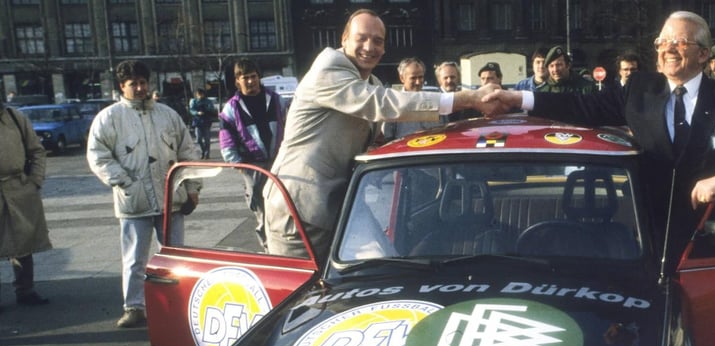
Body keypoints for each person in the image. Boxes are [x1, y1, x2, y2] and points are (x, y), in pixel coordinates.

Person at [484, 11, 715, 258]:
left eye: (679, 42)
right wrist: (517, 99)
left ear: (704, 53)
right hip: (651, 238)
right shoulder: (640, 90)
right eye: (662, 42)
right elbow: (582, 105)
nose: (667, 49)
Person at [265, 9, 501, 261]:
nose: (370, 47)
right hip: (299, 209)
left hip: (342, 205)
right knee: (303, 289)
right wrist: (467, 99)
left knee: (383, 262)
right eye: (362, 38)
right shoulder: (328, 69)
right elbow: (384, 103)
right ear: (344, 39)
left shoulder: (372, 82)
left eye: (378, 40)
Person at [87, 59, 201, 328]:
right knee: (135, 258)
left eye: (142, 82)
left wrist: (193, 188)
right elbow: (98, 155)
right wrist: (123, 182)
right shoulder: (109, 118)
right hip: (133, 202)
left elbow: (188, 152)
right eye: (133, 84)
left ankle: (177, 303)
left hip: (171, 199)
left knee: (175, 256)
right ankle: (134, 307)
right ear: (121, 87)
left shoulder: (168, 115)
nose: (139, 88)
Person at [219, 58, 287, 249]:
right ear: (237, 82)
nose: (250, 81)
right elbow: (227, 144)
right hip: (253, 168)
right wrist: (242, 168)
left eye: (254, 77)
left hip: (279, 164)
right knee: (262, 213)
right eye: (245, 78)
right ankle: (269, 251)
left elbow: (290, 128)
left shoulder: (276, 100)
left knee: (285, 210)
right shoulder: (231, 109)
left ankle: (286, 251)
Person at [0, 95, 51, 311]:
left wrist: (34, 181)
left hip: (18, 188)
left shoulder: (15, 117)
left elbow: (37, 151)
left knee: (23, 242)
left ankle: (25, 289)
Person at [382, 58, 442, 142]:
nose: (418, 82)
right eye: (413, 78)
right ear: (402, 78)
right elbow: (387, 138)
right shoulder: (394, 104)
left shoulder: (434, 100)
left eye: (420, 77)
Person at [188, 88, 217, 159]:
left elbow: (212, 109)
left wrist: (207, 109)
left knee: (207, 139)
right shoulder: (194, 101)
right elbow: (191, 110)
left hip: (206, 121)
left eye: (201, 94)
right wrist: (197, 112)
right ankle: (203, 151)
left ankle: (207, 153)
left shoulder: (208, 101)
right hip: (198, 122)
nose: (200, 96)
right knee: (198, 139)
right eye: (198, 95)